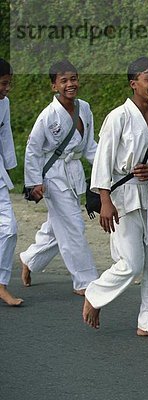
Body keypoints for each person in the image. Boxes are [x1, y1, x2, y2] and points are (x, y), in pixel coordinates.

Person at [82, 57, 148, 340]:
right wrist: (105, 201)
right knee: (131, 262)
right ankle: (94, 294)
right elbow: (103, 160)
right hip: (121, 195)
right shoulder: (118, 117)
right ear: (134, 84)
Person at [20, 59, 98, 296]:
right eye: (63, 81)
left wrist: (106, 166)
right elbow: (33, 149)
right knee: (73, 224)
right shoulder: (48, 116)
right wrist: (34, 183)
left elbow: (89, 146)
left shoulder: (84, 108)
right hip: (52, 175)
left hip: (73, 172)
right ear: (54, 86)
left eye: (73, 79)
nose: (70, 84)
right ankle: (85, 280)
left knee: (59, 224)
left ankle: (30, 259)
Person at [0, 58, 22, 306]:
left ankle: (1, 284)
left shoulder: (4, 103)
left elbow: (5, 134)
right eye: (4, 83)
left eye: (9, 84)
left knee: (9, 228)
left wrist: (10, 168)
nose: (7, 88)